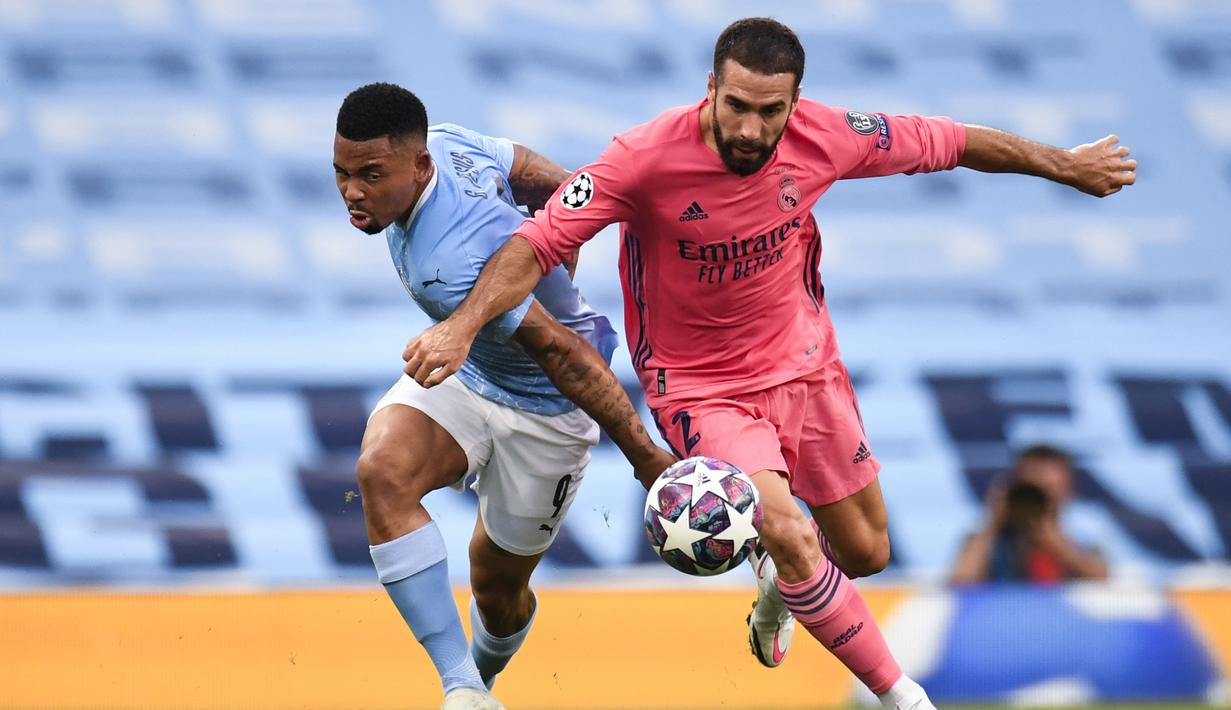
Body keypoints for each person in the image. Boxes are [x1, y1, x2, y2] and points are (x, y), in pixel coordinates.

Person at [401, 17, 1136, 710]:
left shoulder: (827, 136)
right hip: (701, 387)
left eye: (770, 111)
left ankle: (781, 590)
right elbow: (535, 244)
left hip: (806, 367)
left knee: (865, 551)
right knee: (788, 529)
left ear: (795, 102)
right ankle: (903, 697)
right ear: (711, 88)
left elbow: (949, 140)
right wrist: (463, 327)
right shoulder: (641, 158)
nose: (751, 128)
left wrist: (1065, 166)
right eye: (737, 106)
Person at [333, 83, 675, 710]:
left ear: (419, 166)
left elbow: (564, 356)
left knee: (497, 592)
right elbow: (531, 170)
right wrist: (566, 232)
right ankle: (461, 687)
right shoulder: (446, 142)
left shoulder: (450, 259)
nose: (353, 191)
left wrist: (646, 457)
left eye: (371, 175)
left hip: (548, 410)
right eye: (343, 173)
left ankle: (482, 682)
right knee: (382, 471)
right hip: (466, 371)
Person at [950, 444, 1109, 584]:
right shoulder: (992, 542)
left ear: (1068, 491)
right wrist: (992, 522)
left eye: (1049, 489)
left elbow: (1104, 583)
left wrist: (1056, 543)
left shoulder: (1084, 541)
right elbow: (961, 582)